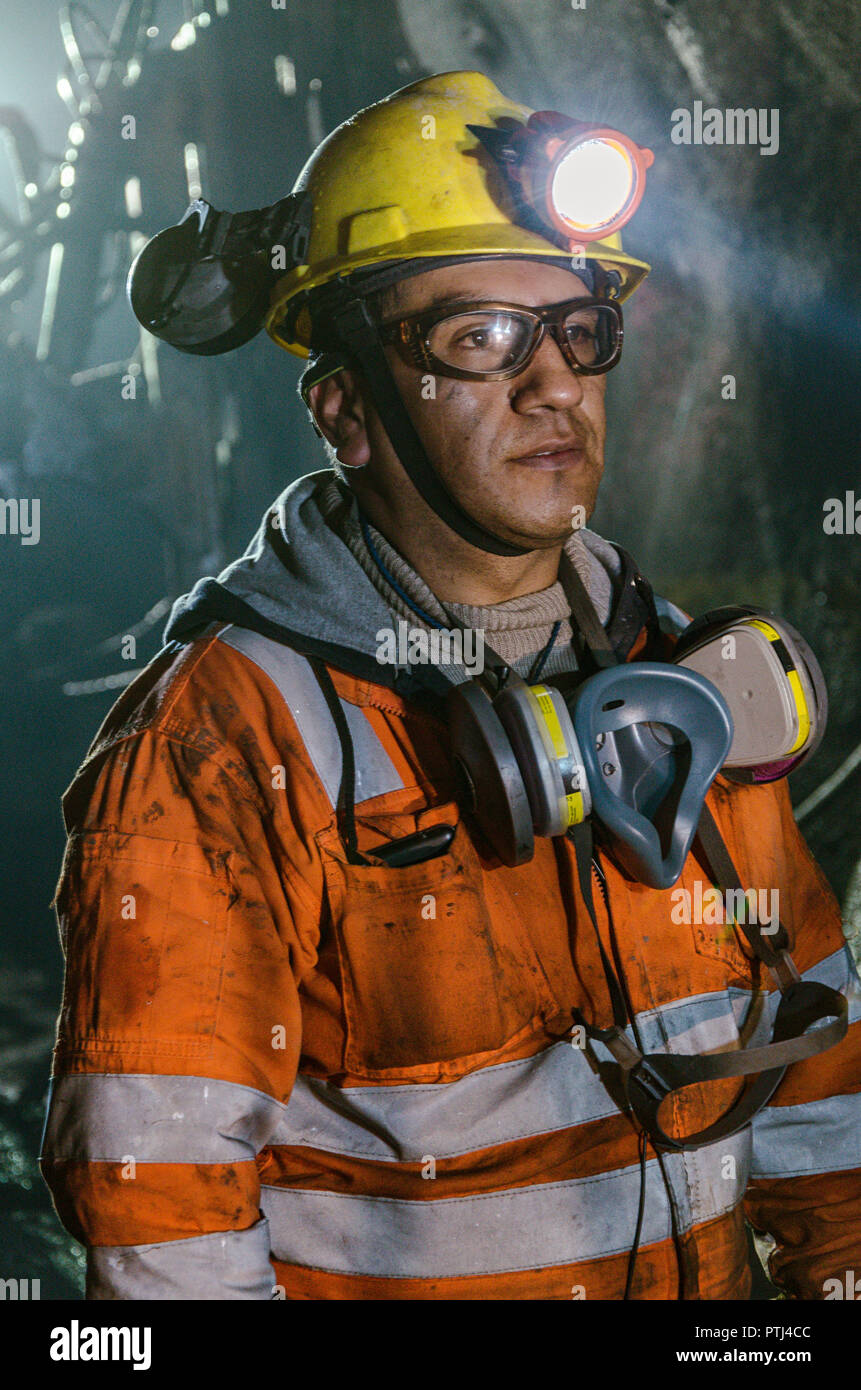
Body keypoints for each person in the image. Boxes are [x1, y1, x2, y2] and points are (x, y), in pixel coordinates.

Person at [40, 70, 860, 1301]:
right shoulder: (226, 739)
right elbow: (164, 1228)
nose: (553, 384)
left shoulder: (690, 680)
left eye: (580, 331)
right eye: (478, 337)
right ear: (346, 409)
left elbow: (819, 1093)